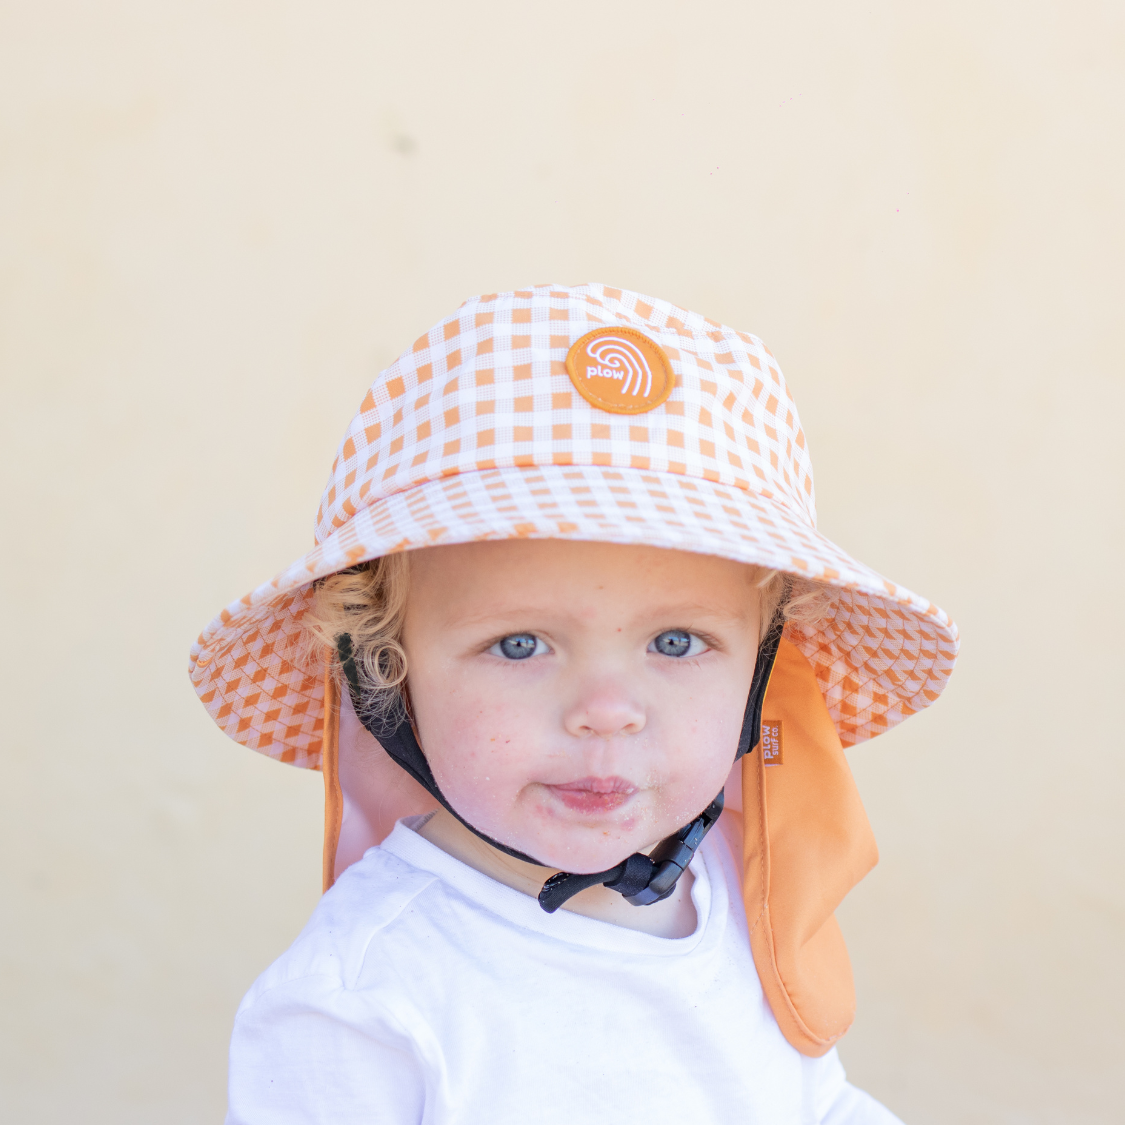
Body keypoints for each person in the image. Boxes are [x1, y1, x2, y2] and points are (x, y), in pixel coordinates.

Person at [190, 283, 958, 1123]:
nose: (606, 709)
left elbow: (809, 1101)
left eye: (675, 642)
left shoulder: (740, 896)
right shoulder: (362, 999)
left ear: (761, 671)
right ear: (385, 675)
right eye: (519, 644)